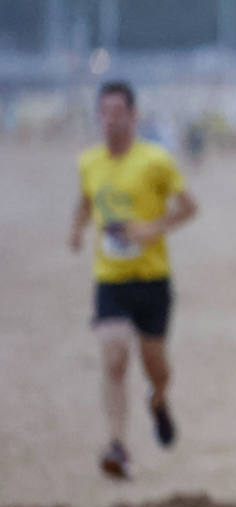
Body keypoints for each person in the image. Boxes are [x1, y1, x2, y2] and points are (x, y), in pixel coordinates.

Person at [70, 81, 197, 478]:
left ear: (133, 115)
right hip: (110, 279)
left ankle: (158, 400)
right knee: (113, 356)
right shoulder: (89, 162)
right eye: (104, 112)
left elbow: (188, 207)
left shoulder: (156, 161)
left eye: (118, 112)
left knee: (155, 365)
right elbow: (87, 200)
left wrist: (150, 228)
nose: (110, 120)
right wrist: (76, 229)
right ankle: (117, 444)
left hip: (152, 279)